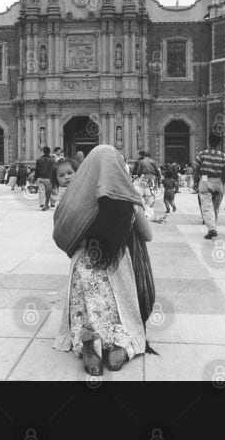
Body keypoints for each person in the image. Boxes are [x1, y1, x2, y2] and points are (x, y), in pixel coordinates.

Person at [53, 145, 154, 375]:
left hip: (83, 267)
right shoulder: (127, 200)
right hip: (118, 267)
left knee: (85, 312)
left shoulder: (73, 200)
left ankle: (89, 342)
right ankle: (121, 347)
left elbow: (61, 236)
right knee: (121, 311)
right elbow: (148, 235)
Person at [195, 133, 225, 240]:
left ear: (209, 141)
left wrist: (196, 182)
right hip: (218, 180)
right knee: (215, 206)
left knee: (206, 205)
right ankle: (213, 226)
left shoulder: (202, 154)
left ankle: (211, 228)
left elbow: (196, 169)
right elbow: (224, 172)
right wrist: (221, 184)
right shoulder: (223, 155)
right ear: (219, 143)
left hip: (205, 178)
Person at [35, 146, 55, 211]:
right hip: (49, 178)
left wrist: (36, 177)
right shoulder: (52, 160)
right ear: (49, 152)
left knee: (41, 191)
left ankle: (42, 203)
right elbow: (54, 170)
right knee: (48, 192)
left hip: (40, 178)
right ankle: (48, 204)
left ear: (43, 152)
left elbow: (36, 170)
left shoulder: (39, 159)